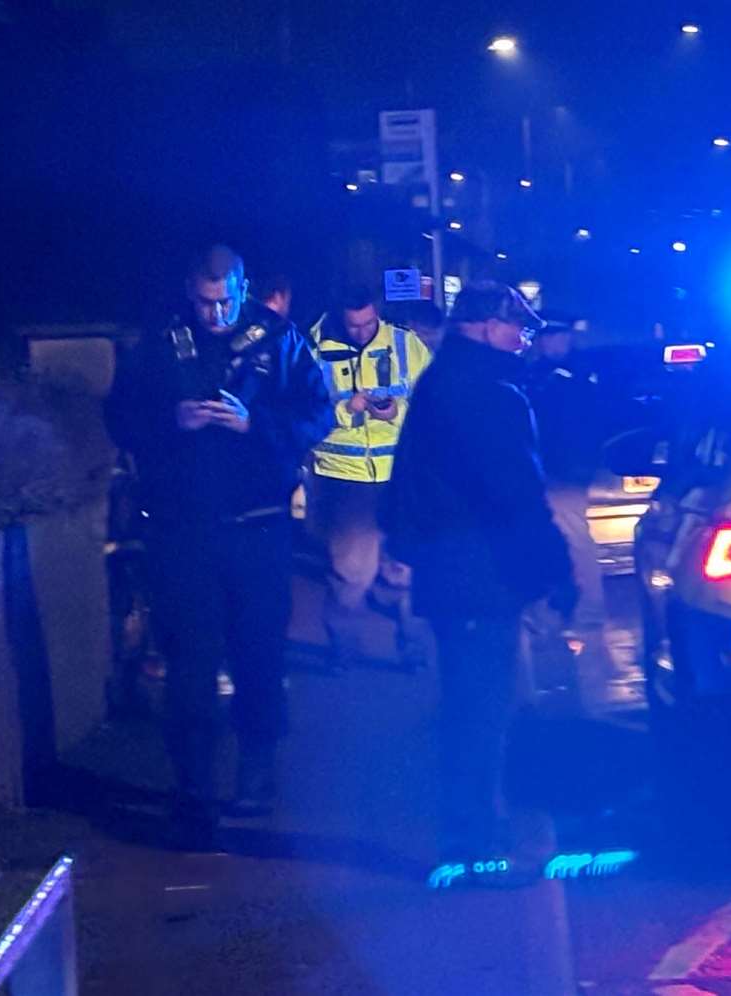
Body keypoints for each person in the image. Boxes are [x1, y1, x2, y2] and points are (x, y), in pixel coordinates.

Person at [103, 245, 333, 848]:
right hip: (183, 532)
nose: (215, 313)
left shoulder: (277, 340)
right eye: (205, 302)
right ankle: (194, 790)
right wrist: (170, 423)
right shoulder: (158, 343)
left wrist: (255, 426)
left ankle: (257, 773)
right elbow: (120, 418)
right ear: (189, 290)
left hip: (258, 528)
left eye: (225, 299)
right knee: (191, 666)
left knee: (259, 656)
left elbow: (319, 412)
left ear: (242, 287)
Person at [381, 282, 576, 875]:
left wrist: (405, 549)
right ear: (485, 326)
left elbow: (408, 481)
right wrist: (555, 569)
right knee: (483, 709)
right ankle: (474, 839)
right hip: (482, 572)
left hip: (450, 572)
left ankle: (472, 830)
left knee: (471, 703)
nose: (524, 338)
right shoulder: (491, 392)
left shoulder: (440, 382)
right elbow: (517, 491)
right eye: (516, 327)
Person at [307, 285, 435, 666]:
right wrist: (349, 409)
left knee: (406, 567)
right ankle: (343, 649)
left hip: (398, 474)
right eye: (354, 326)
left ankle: (413, 649)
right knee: (351, 574)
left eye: (368, 323)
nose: (362, 332)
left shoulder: (405, 344)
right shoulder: (314, 348)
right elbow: (305, 413)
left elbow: (430, 401)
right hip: (346, 479)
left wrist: (397, 410)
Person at [525, 320, 617, 711]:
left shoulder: (578, 374)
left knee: (575, 540)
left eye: (557, 336)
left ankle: (586, 613)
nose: (552, 342)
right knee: (550, 542)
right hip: (543, 469)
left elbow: (585, 423)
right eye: (547, 336)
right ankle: (561, 610)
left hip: (566, 471)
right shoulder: (537, 374)